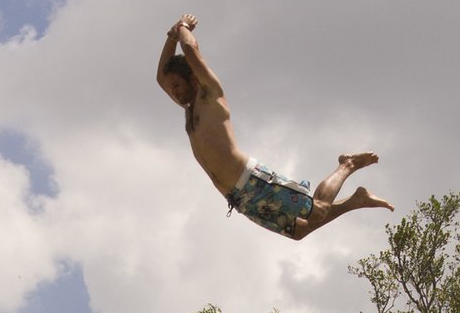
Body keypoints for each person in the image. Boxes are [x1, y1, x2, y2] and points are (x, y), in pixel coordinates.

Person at [155, 16, 391, 240]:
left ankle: (346, 165)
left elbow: (191, 50)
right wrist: (170, 36)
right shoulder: (189, 112)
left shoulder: (210, 94)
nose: (173, 92)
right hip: (238, 198)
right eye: (172, 88)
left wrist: (182, 27)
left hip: (253, 181)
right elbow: (161, 78)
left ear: (192, 78)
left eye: (177, 85)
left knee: (317, 211)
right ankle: (357, 200)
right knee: (299, 232)